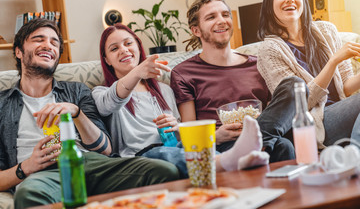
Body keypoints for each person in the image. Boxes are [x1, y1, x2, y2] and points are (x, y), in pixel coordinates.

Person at [0, 18, 180, 208]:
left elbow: (106, 149)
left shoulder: (77, 91)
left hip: (93, 164)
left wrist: (76, 113)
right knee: (29, 195)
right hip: (44, 175)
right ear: (19, 51)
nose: (48, 45)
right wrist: (27, 167)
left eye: (54, 42)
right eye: (39, 39)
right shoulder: (2, 104)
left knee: (164, 171)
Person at [92, 23, 269, 176]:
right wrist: (137, 72)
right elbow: (111, 102)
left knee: (191, 151)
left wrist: (176, 126)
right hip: (139, 157)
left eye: (128, 43)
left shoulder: (164, 90)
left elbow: (182, 136)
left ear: (138, 47)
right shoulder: (101, 93)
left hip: (175, 148)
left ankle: (234, 161)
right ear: (106, 59)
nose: (123, 50)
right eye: (114, 48)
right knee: (166, 154)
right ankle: (229, 162)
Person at [171, 0, 298, 163]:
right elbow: (189, 133)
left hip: (264, 136)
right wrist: (216, 137)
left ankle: (256, 141)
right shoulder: (183, 73)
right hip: (224, 147)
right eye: (211, 17)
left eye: (225, 15)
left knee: (295, 85)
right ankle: (254, 144)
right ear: (196, 30)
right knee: (284, 146)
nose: (221, 20)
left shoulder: (259, 64)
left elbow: (273, 114)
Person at [257, 0, 360, 149]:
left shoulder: (327, 31)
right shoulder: (269, 51)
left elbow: (346, 88)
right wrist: (333, 61)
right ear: (269, 5)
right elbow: (297, 105)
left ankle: (351, 159)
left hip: (342, 111)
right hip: (314, 124)